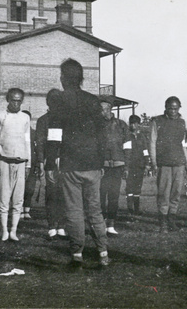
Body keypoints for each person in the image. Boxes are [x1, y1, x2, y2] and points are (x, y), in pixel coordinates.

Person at [52, 59, 109, 269]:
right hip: (93, 164)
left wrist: (50, 163)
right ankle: (103, 252)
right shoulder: (93, 101)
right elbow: (102, 134)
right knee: (95, 209)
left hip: (70, 164)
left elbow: (54, 135)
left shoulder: (59, 100)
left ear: (62, 78)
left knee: (74, 211)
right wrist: (101, 161)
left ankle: (77, 254)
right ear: (82, 78)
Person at [0, 88, 31, 242]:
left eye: (19, 100)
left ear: (22, 101)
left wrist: (28, 164)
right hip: (4, 161)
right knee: (4, 198)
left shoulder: (25, 118)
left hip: (21, 162)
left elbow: (27, 142)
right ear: (8, 100)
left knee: (18, 199)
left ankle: (13, 231)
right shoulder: (0, 116)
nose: (16, 103)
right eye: (13, 100)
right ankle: (4, 231)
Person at [149, 96, 187, 233]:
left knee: (176, 193)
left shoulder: (182, 122)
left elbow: (183, 144)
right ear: (166, 108)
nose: (173, 111)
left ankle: (172, 221)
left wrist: (186, 164)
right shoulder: (157, 121)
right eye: (170, 108)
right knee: (163, 194)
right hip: (164, 163)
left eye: (176, 108)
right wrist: (154, 162)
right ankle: (163, 223)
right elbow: (152, 143)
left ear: (179, 108)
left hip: (178, 163)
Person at [35, 89, 66, 239]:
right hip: (51, 162)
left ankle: (62, 226)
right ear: (48, 103)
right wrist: (41, 161)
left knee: (65, 194)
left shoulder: (67, 119)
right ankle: (52, 225)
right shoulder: (43, 120)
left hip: (67, 162)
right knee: (52, 193)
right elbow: (39, 143)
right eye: (52, 101)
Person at [99, 98, 130, 235]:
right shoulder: (97, 125)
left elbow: (127, 147)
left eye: (103, 109)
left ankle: (111, 224)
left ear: (109, 109)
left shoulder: (121, 125)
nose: (100, 112)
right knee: (100, 194)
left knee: (113, 195)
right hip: (101, 166)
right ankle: (100, 224)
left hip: (117, 166)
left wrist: (126, 166)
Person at [125, 115, 150, 219]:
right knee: (129, 188)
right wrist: (125, 167)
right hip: (130, 167)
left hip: (140, 166)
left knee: (138, 188)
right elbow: (126, 153)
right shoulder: (127, 136)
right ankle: (130, 211)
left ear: (139, 124)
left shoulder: (142, 137)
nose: (133, 125)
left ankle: (136, 210)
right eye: (131, 123)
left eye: (135, 123)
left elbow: (145, 151)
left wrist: (147, 164)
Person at [21, 110, 37, 220]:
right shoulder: (17, 132)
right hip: (19, 162)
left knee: (30, 188)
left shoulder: (34, 133)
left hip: (32, 164)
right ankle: (19, 209)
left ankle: (27, 209)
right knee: (19, 187)